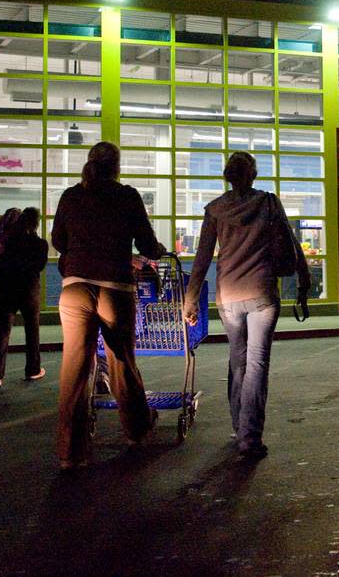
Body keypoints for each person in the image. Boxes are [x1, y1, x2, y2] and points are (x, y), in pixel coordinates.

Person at [183, 151, 310, 461]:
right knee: (256, 365)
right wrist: (304, 281)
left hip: (229, 298)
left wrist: (190, 299)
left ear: (227, 175)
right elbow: (291, 244)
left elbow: (202, 259)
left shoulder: (215, 210)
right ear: (253, 175)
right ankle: (250, 439)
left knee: (238, 362)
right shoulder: (268, 202)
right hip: (262, 293)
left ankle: (239, 428)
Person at [51, 141, 166, 471]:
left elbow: (59, 241)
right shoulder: (127, 196)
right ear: (117, 166)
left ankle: (70, 454)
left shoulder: (71, 196)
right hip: (114, 289)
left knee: (75, 368)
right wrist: (154, 249)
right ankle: (137, 429)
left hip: (75, 288)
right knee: (121, 360)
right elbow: (145, 243)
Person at [0, 207, 48, 388]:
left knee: (3, 331)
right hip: (29, 291)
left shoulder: (8, 242)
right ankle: (33, 369)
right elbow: (39, 266)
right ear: (36, 223)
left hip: (7, 289)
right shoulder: (41, 245)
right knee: (32, 330)